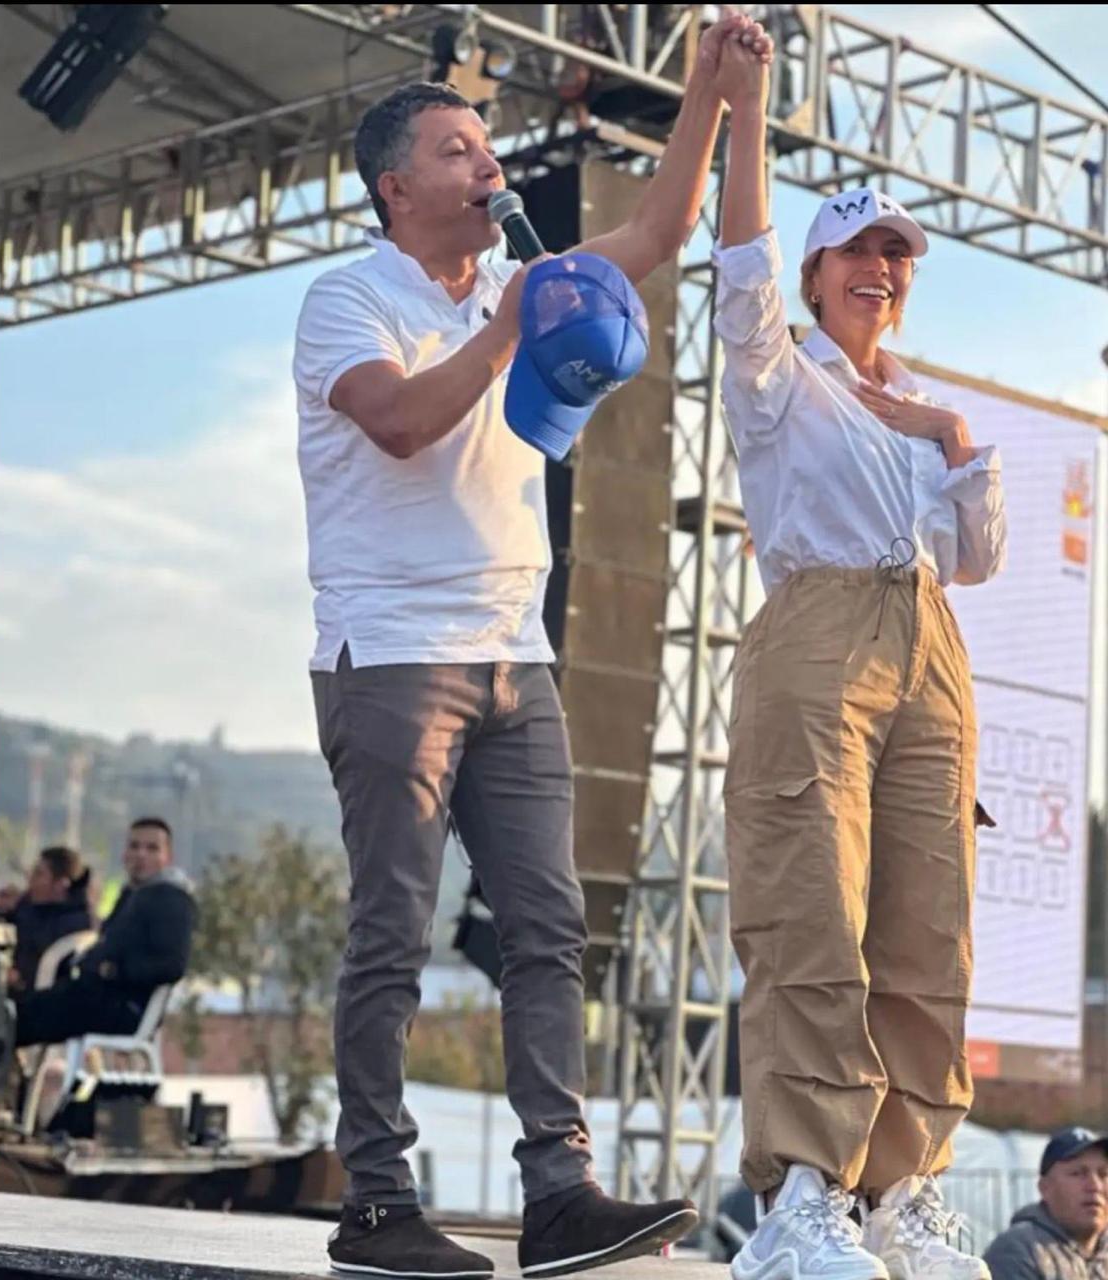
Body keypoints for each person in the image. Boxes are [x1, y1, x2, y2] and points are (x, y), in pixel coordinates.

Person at [292, 13, 774, 1278]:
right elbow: (399, 421)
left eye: (487, 142)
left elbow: (659, 232)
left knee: (549, 928)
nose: (488, 161)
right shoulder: (349, 298)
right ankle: (377, 1201)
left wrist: (710, 92)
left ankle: (559, 1189)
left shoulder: (521, 277)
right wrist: (510, 322)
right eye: (457, 149)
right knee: (393, 931)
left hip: (517, 651)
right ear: (396, 188)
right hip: (393, 653)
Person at [713, 30, 1007, 1280]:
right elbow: (738, 261)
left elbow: (977, 556)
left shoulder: (918, 400)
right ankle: (800, 1198)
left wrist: (949, 431)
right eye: (860, 251)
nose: (882, 269)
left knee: (929, 931)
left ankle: (902, 1193)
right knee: (812, 917)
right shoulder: (779, 373)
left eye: (897, 254)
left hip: (929, 638)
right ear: (817, 272)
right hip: (819, 625)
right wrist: (747, 109)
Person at [14, 817, 196, 1048]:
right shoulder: (132, 895)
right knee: (15, 1012)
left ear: (167, 858)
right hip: (96, 994)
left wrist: (113, 970)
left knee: (17, 1019)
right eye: (134, 846)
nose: (141, 854)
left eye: (152, 848)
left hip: (124, 1006)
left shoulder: (171, 899)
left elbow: (171, 965)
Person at [984, 1128, 1108, 1279]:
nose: (1095, 1186)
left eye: (1103, 1174)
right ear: (1045, 1188)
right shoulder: (1017, 1251)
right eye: (1077, 1173)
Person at [7, 846, 94, 993]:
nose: (31, 879)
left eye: (39, 874)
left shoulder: (76, 924)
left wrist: (18, 979)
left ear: (61, 884)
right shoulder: (28, 907)